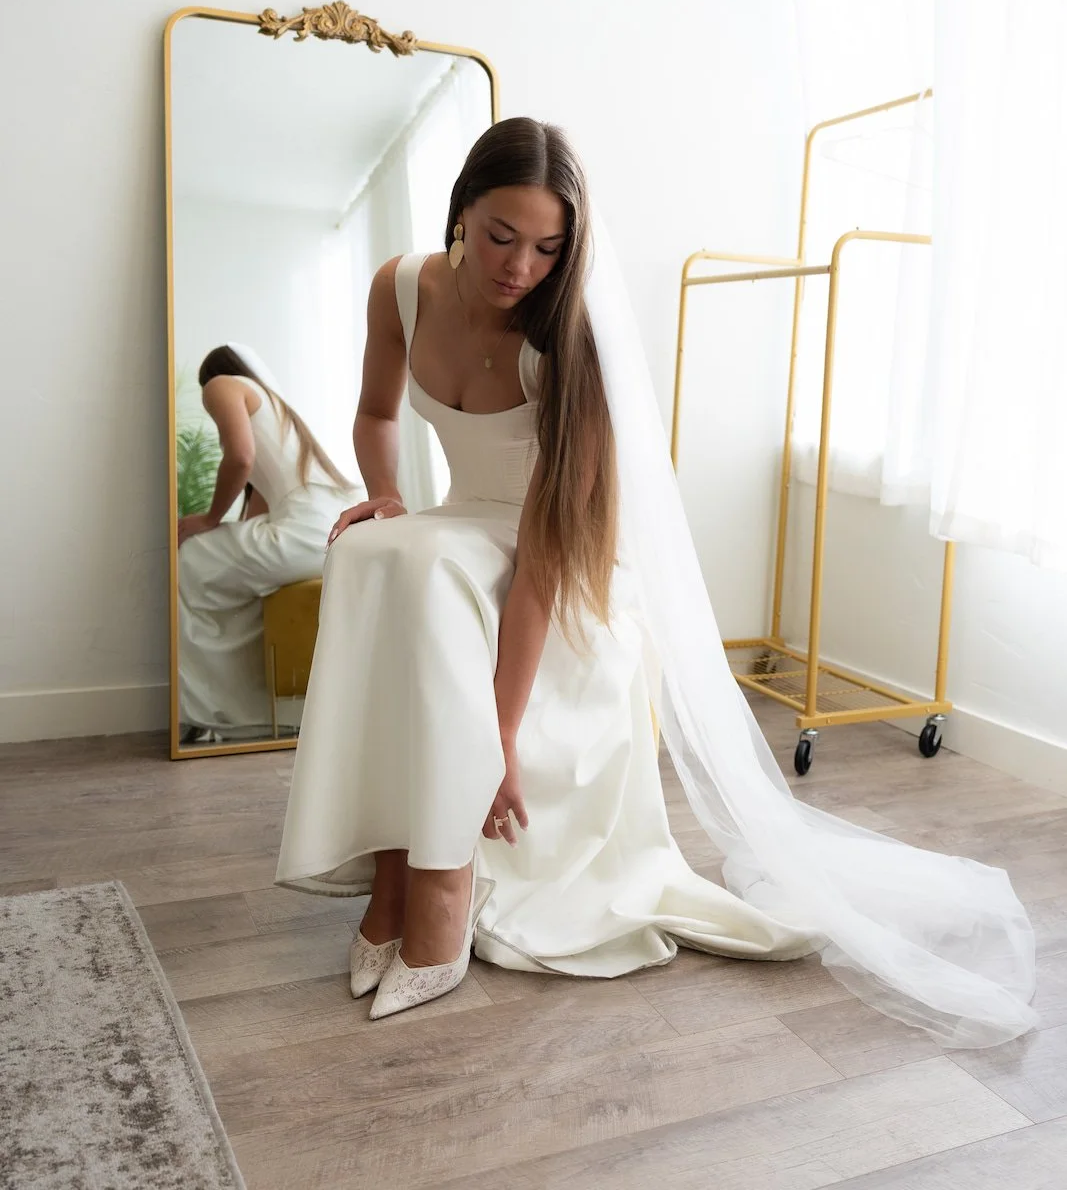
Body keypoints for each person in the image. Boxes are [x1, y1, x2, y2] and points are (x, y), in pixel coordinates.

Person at [276, 119, 1036, 1044]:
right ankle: (394, 867)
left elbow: (547, 555)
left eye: (549, 248)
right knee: (367, 548)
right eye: (499, 236)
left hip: (559, 552)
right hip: (464, 519)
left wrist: (500, 739)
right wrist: (386, 493)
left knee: (427, 566)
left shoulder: (570, 335)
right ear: (460, 214)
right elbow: (372, 410)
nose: (520, 266)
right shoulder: (400, 288)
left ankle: (439, 886)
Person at [178, 345, 363, 741]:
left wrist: (208, 520)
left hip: (305, 530)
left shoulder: (220, 385)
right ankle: (257, 710)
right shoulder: (277, 410)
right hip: (337, 528)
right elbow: (258, 505)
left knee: (188, 558)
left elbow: (240, 457)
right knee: (226, 568)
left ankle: (216, 709)